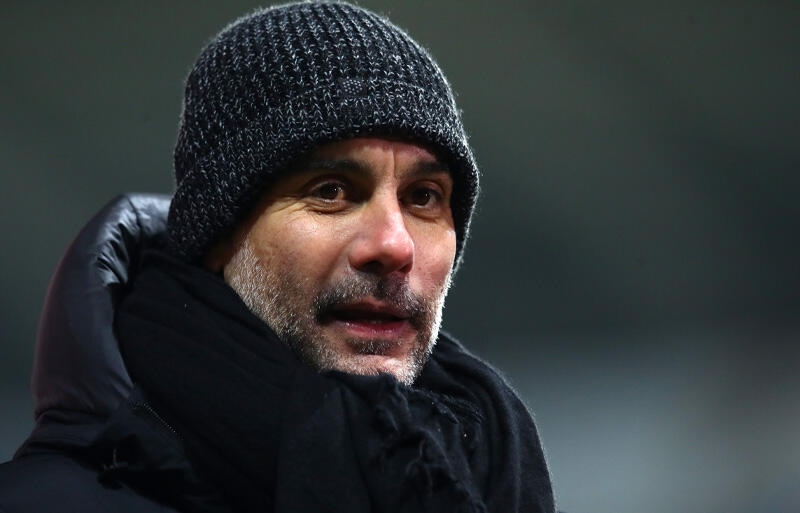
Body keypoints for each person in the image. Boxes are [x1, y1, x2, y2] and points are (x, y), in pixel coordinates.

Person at [0, 2, 555, 512]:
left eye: (424, 197)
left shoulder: (491, 467)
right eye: (331, 191)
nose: (394, 245)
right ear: (219, 234)